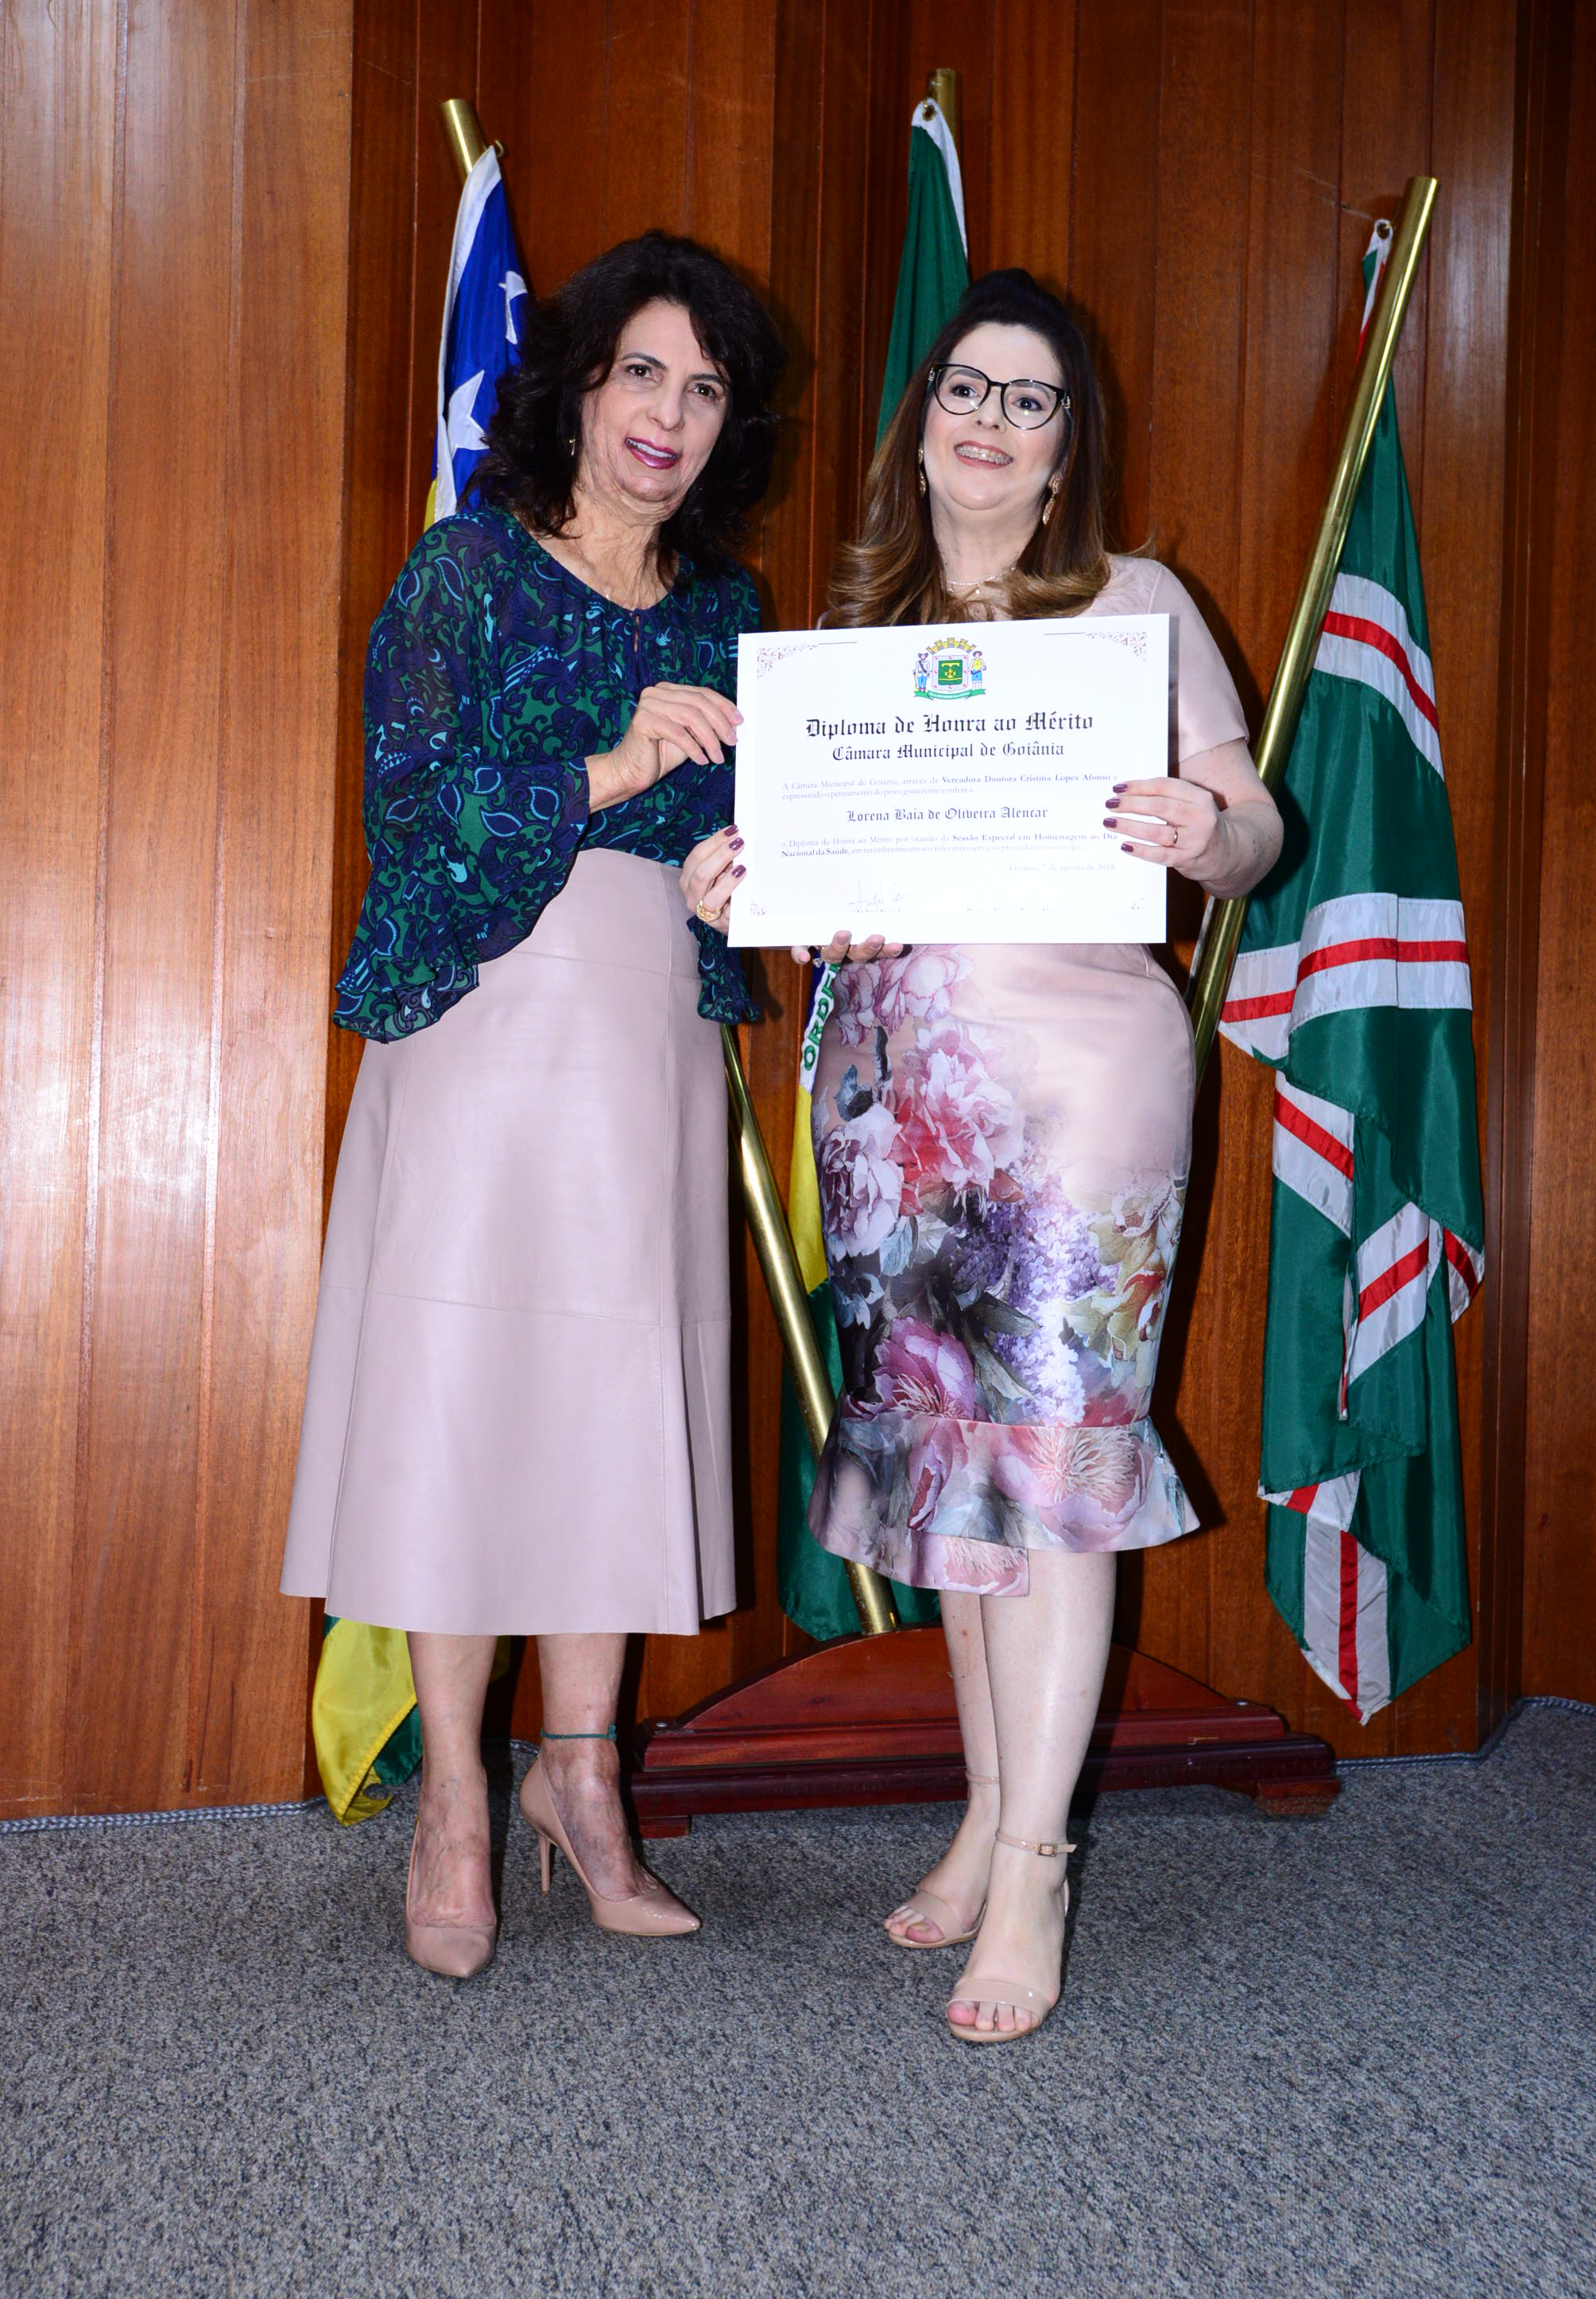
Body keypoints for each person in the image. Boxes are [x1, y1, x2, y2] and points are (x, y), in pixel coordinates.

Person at [280, 231, 783, 1978]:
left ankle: (584, 1779)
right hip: (484, 1023)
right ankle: (454, 1800)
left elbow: (765, 841)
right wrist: (615, 764)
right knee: (466, 1398)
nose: (670, 413)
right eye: (643, 370)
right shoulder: (466, 570)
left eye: (704, 388)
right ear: (574, 386)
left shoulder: (731, 613)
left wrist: (748, 879)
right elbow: (410, 812)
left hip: (648, 1034)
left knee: (607, 1402)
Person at [802, 269, 1283, 2044]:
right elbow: (808, 863)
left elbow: (1255, 823)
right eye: (967, 388)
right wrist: (764, 889)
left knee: (1055, 1461)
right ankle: (983, 1813)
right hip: (891, 1087)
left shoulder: (1132, 605)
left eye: (1032, 398)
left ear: (1067, 444)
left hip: (1079, 1081)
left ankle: (1035, 1867)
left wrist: (1203, 825)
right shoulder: (860, 627)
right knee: (946, 1461)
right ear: (920, 418)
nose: (992, 422)